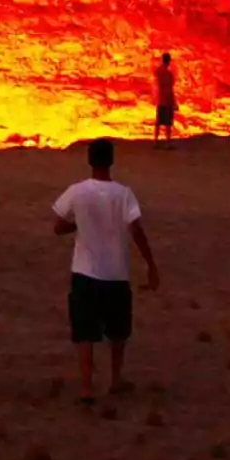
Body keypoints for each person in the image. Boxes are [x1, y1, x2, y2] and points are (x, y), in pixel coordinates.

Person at [52, 138, 159, 404]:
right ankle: (115, 380)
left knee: (85, 330)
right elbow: (136, 231)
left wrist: (81, 226)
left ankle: (87, 386)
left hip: (85, 272)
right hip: (116, 273)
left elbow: (57, 225)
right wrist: (151, 264)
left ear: (89, 160)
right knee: (118, 330)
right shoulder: (124, 194)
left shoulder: (77, 192)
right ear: (111, 161)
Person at [153, 52, 176, 149]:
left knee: (158, 122)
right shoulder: (169, 74)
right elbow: (170, 88)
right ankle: (167, 143)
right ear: (169, 61)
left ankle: (156, 141)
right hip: (167, 100)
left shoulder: (158, 71)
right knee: (168, 123)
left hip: (160, 99)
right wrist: (173, 102)